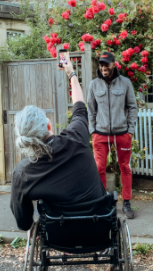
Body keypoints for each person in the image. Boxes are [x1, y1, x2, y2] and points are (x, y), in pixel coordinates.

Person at [10, 57, 108, 231]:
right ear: (49, 126)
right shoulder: (76, 136)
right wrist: (71, 73)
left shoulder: (23, 172)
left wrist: (30, 226)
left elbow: (23, 222)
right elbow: (79, 106)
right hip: (98, 227)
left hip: (58, 234)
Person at [86, 51, 138, 219]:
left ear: (114, 64)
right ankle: (102, 201)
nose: (103, 68)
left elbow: (132, 106)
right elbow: (91, 109)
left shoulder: (125, 83)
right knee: (99, 168)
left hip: (122, 133)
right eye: (101, 65)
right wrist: (93, 130)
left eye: (106, 64)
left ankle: (127, 202)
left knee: (125, 167)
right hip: (100, 135)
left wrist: (130, 130)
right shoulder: (94, 85)